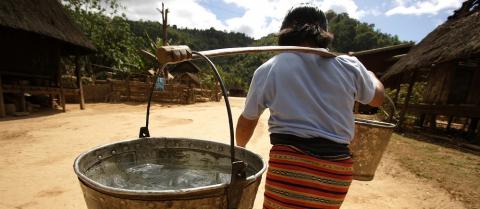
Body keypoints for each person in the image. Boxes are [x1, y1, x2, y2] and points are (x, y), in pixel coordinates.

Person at [235, 4, 384, 209]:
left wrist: (240, 150)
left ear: (284, 34)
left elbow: (248, 120)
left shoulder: (270, 68)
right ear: (324, 35)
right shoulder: (350, 65)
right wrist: (372, 77)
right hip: (336, 171)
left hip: (290, 166)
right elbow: (377, 99)